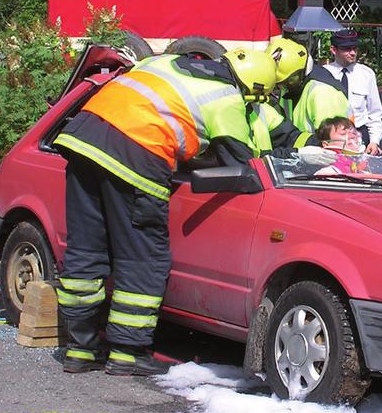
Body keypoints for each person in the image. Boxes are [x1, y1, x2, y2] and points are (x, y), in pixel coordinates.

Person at [53, 48, 279, 376]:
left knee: (86, 250)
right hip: (136, 151)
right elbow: (240, 163)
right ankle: (128, 353)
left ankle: (80, 349)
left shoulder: (167, 61)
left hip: (83, 139)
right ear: (253, 90)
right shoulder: (227, 97)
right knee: (142, 256)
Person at [267, 37, 350, 137]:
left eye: (290, 81)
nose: (284, 87)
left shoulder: (323, 93)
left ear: (303, 70)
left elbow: (332, 142)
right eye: (280, 83)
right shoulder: (293, 88)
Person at [322, 29, 382, 155]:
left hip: (360, 137)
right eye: (346, 49)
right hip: (333, 138)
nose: (352, 53)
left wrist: (374, 141)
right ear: (334, 50)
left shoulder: (366, 74)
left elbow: (375, 114)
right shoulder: (323, 74)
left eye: (355, 48)